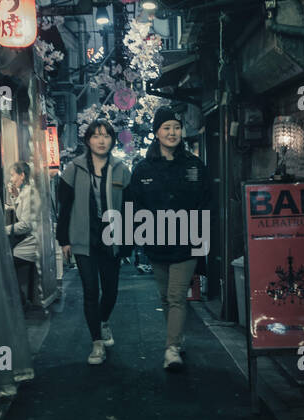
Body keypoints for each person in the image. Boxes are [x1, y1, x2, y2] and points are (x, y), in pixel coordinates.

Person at [128, 109, 213, 372]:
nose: (172, 132)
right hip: (156, 242)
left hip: (186, 241)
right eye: (166, 128)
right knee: (165, 297)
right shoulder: (143, 169)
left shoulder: (194, 165)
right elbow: (133, 204)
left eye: (176, 127)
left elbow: (206, 200)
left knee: (177, 296)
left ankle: (171, 349)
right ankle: (176, 338)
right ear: (156, 133)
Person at [56, 119, 131, 365]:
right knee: (90, 290)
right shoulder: (74, 168)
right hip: (83, 237)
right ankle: (96, 342)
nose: (101, 140)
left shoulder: (121, 169)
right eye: (96, 135)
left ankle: (104, 320)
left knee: (110, 290)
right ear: (88, 140)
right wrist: (64, 239)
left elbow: (130, 207)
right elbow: (64, 208)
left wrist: (129, 240)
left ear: (112, 140)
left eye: (106, 136)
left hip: (112, 238)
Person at [5, 160, 41, 309]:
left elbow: (26, 224)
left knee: (6, 266)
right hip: (29, 240)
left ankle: (20, 302)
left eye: (13, 175)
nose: (11, 179)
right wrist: (14, 197)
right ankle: (20, 301)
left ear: (22, 175)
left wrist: (4, 230)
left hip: (32, 242)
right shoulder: (25, 192)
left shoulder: (29, 193)